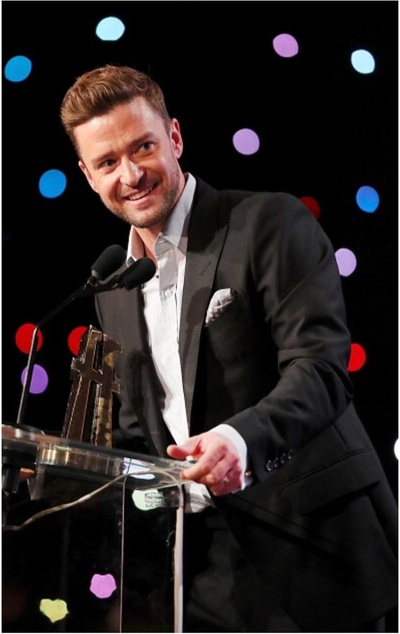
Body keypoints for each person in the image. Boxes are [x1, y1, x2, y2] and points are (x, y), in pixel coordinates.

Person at [60, 64, 397, 633]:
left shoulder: (267, 222)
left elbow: (320, 369)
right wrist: (67, 472)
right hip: (207, 568)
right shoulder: (113, 288)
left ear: (174, 137)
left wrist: (240, 439)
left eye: (143, 147)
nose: (132, 174)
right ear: (88, 176)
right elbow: (141, 431)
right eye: (108, 162)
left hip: (318, 549)